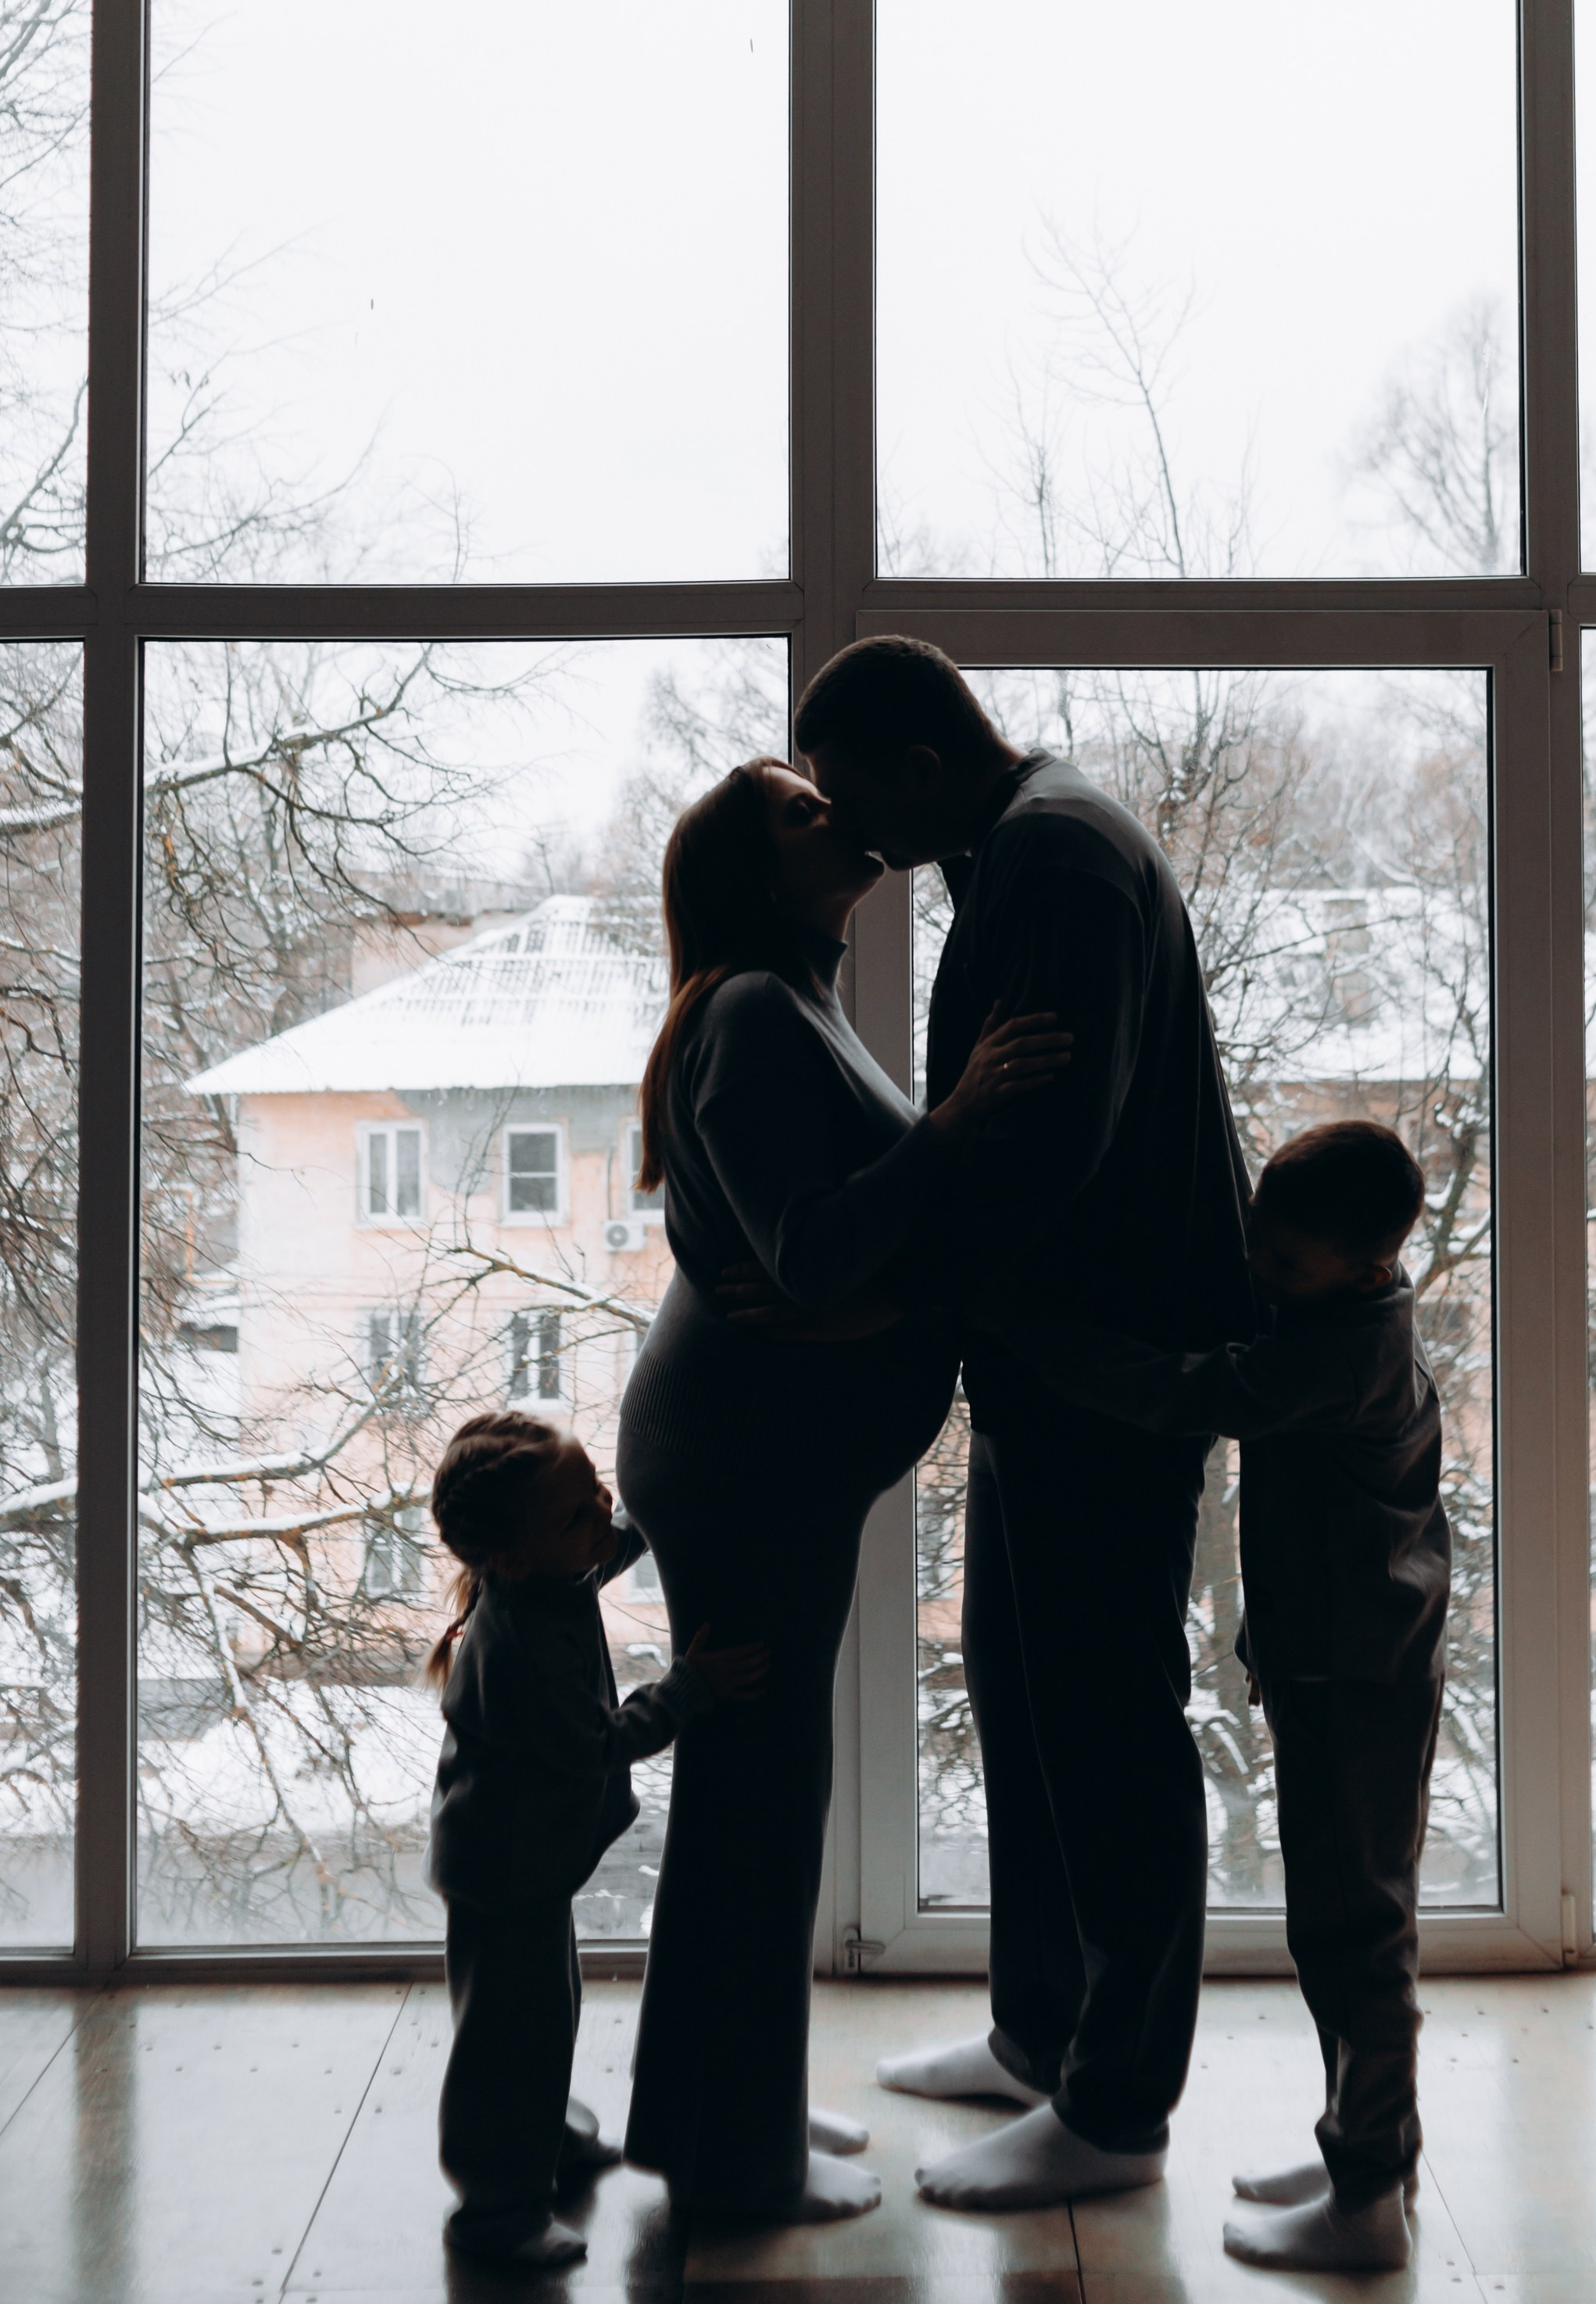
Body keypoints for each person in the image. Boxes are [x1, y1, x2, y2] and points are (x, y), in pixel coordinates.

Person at [789, 636, 1256, 2213]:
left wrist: (892, 1290)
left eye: (859, 803)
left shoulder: (1051, 858)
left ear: (923, 765)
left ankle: (1114, 2111)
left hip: (1096, 1362)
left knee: (1104, 1717)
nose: (853, 840)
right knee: (1023, 1683)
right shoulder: (1039, 836)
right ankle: (1043, 2027)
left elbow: (1048, 1137)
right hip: (1058, 1356)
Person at [615, 754, 1071, 2222]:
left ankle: (715, 2118)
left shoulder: (787, 995)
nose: (840, 816)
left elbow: (830, 1255)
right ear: (758, 871)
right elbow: (807, 1251)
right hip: (743, 1466)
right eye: (803, 813)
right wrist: (948, 1128)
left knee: (758, 1795)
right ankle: (726, 2167)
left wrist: (898, 1303)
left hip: (768, 1460)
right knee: (757, 1799)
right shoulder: (752, 1007)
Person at [1025, 1118, 1451, 2275]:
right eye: (1260, 1249)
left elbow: (1192, 1393)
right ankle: (1367, 2148)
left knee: (1353, 1933)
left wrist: (1045, 1347)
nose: (1261, 1276)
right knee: (1347, 1926)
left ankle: (1367, 2198)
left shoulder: (1335, 1353)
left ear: (1361, 1268)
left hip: (1355, 1676)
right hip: (1345, 1658)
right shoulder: (1355, 1311)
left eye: (1284, 1266)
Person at [422, 1408, 766, 2272]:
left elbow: (615, 1542)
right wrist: (689, 1687)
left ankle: (554, 2139)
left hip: (525, 1863)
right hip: (503, 1869)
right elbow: (595, 1743)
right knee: (509, 2035)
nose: (602, 1511)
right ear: (510, 1555)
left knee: (543, 2013)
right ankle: (493, 2209)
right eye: (580, 1510)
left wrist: (666, 1491)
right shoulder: (520, 1643)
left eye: (596, 1489)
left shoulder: (547, 1573)